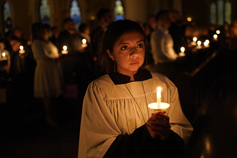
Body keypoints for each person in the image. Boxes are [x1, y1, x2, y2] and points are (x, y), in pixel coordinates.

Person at [78, 20, 193, 158]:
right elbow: (99, 147)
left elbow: (181, 129)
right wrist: (145, 134)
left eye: (139, 45)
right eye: (125, 47)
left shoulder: (163, 83)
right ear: (111, 53)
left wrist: (165, 134)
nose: (134, 54)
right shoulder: (100, 90)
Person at [31, 22, 63, 127]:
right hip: (45, 72)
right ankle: (48, 116)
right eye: (45, 31)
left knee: (53, 95)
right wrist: (56, 57)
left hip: (52, 71)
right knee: (47, 96)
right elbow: (43, 57)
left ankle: (54, 115)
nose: (48, 32)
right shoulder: (37, 43)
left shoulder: (47, 42)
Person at [150, 10, 184, 80]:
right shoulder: (157, 34)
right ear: (160, 20)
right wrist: (174, 59)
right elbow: (159, 54)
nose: (170, 21)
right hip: (163, 67)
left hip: (169, 65)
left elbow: (169, 49)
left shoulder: (166, 33)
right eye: (167, 19)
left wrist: (176, 56)